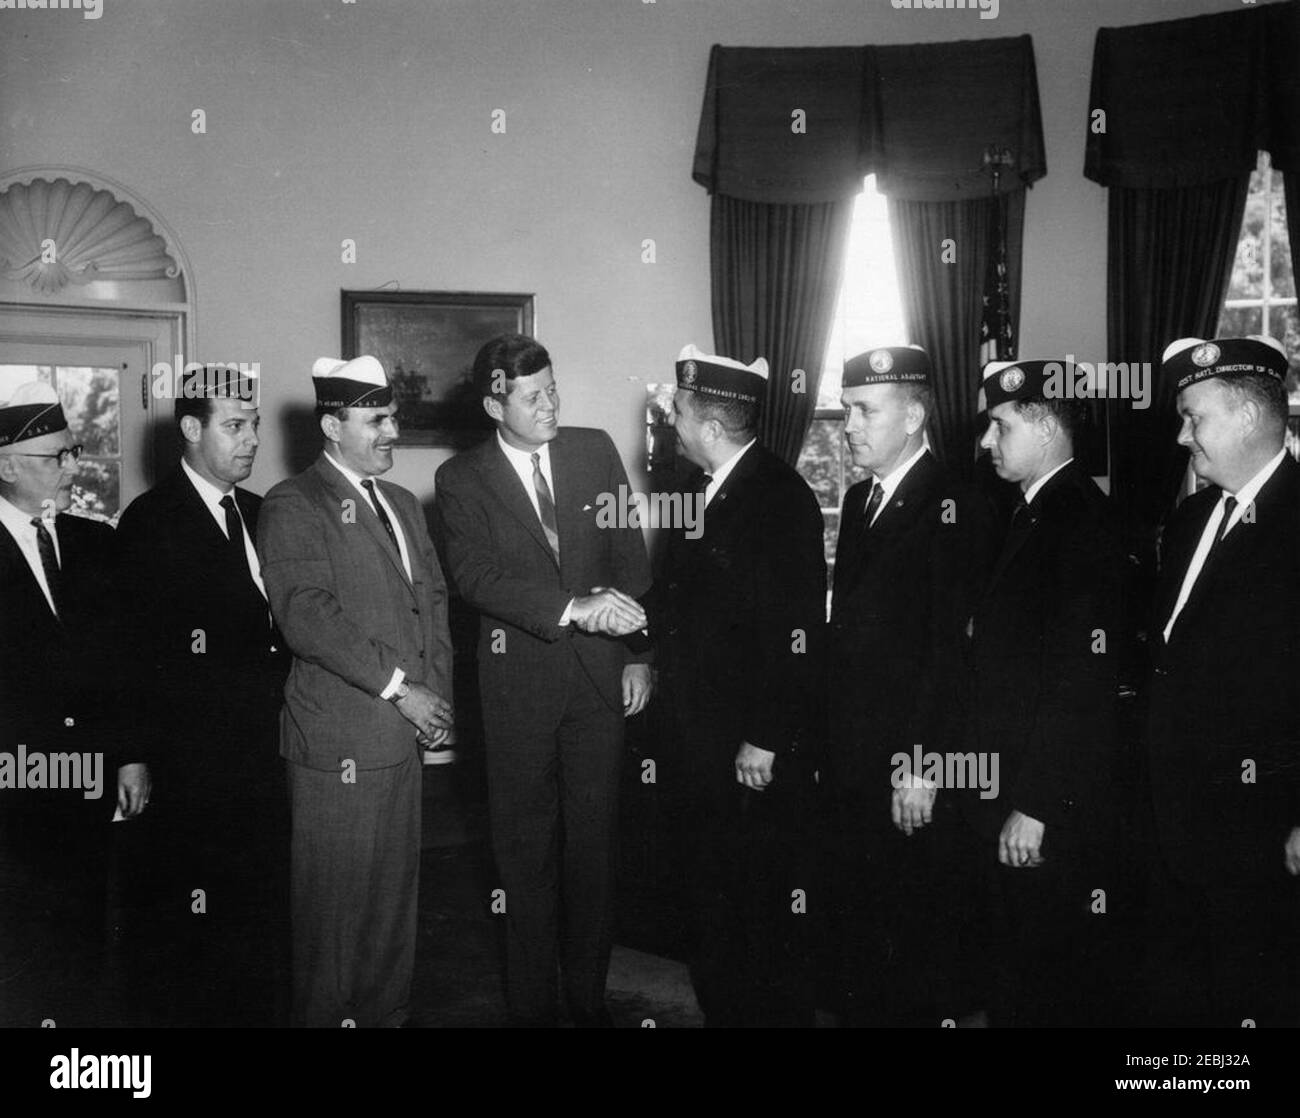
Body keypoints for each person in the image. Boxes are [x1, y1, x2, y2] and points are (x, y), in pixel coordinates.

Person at [432, 333, 652, 1027]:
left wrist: (641, 651)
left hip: (598, 689)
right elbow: (474, 578)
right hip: (517, 696)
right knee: (525, 864)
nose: (550, 405)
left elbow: (630, 561)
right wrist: (571, 609)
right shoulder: (461, 480)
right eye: (533, 397)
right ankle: (533, 1010)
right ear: (495, 404)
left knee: (594, 855)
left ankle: (588, 1006)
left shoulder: (593, 451)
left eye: (553, 389)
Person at [257, 356, 454, 1028]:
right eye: (376, 420)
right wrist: (404, 691)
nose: (392, 431)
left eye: (393, 416)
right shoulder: (294, 503)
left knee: (392, 918)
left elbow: (432, 605)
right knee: (331, 930)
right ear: (331, 425)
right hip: (337, 745)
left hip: (403, 741)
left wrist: (439, 709)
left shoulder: (402, 504)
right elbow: (308, 616)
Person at [650, 344, 826, 1026]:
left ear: (713, 429)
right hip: (702, 743)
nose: (674, 426)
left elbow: (795, 633)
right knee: (713, 903)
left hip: (748, 750)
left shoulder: (779, 498)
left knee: (757, 908)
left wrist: (764, 737)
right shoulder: (702, 490)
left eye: (682, 415)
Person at [823, 345, 995, 1026]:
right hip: (857, 761)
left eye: (865, 410)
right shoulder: (863, 498)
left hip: (910, 767)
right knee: (866, 935)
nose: (849, 426)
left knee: (918, 940)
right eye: (846, 411)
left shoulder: (957, 505)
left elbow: (953, 654)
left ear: (916, 413)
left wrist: (923, 765)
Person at [114, 364, 290, 1025]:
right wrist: (134, 754)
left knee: (257, 918)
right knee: (190, 927)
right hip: (191, 766)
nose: (251, 441)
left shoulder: (262, 511)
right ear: (190, 429)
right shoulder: (149, 521)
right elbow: (129, 654)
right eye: (235, 426)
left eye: (255, 426)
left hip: (264, 758)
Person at [1144, 334, 1300, 1027]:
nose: (1183, 436)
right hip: (1174, 823)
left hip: (1263, 828)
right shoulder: (1191, 518)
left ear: (1245, 417)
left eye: (1194, 417)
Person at [967, 358, 1128, 1026]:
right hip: (1015, 783)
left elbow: (1081, 679)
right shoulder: (1033, 511)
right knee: (1018, 969)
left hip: (1045, 800)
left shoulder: (1080, 521)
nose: (986, 441)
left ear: (1045, 423)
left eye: (1000, 425)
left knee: (1047, 982)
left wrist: (1036, 805)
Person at [0, 381, 149, 1025]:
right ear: (5, 464)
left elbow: (123, 666)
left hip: (86, 781)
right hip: (12, 783)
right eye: (51, 457)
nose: (70, 468)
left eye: (71, 452)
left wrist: (131, 757)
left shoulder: (94, 544)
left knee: (87, 933)